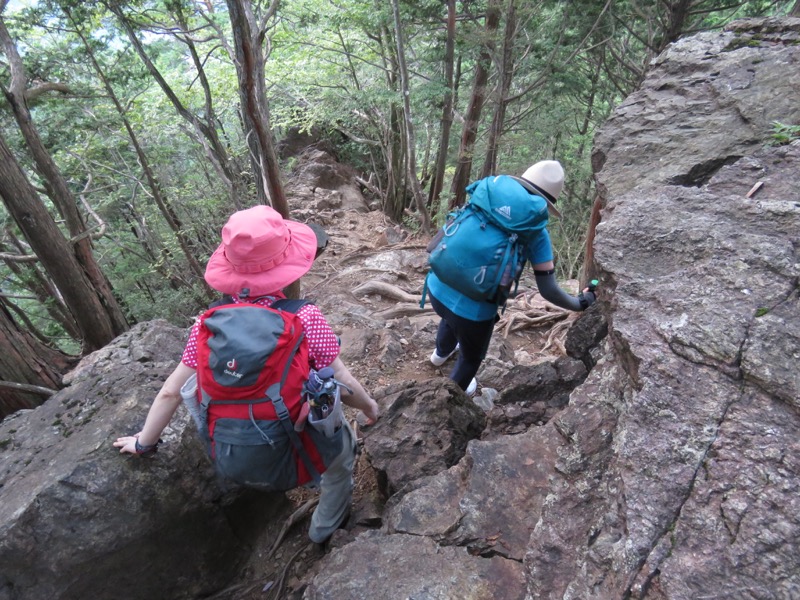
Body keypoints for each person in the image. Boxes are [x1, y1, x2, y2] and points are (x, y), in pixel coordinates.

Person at [114, 205, 379, 545]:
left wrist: (143, 442)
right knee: (342, 457)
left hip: (233, 455)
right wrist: (370, 408)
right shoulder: (306, 318)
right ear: (291, 265)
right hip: (300, 447)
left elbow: (170, 392)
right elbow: (342, 384)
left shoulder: (205, 326)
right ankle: (323, 529)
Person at [426, 160, 596, 395]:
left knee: (450, 317)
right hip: (474, 314)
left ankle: (439, 355)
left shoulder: (483, 199)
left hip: (437, 285)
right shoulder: (536, 233)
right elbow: (548, 290)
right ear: (545, 203)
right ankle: (447, 398)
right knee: (471, 358)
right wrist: (580, 303)